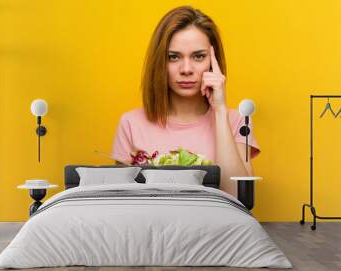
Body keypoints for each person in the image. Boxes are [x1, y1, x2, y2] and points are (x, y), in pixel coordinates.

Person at [110, 6, 260, 197]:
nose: (186, 69)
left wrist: (220, 111)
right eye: (173, 57)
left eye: (198, 56)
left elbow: (238, 198)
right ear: (160, 63)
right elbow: (120, 202)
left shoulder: (237, 121)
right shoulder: (131, 124)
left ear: (214, 62)